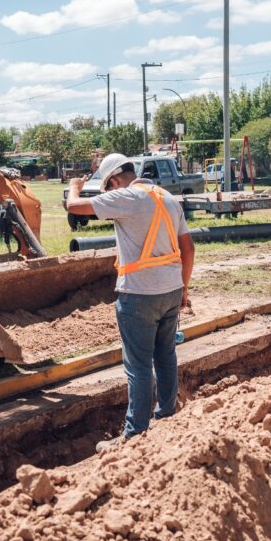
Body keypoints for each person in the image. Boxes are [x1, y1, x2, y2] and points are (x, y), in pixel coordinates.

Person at [66, 153, 195, 449]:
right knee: (165, 355)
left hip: (138, 295)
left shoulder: (126, 197)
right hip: (172, 291)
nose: (109, 197)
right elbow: (188, 248)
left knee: (137, 365)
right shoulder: (168, 198)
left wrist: (74, 186)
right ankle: (167, 416)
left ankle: (135, 434)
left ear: (113, 180)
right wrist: (183, 289)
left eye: (107, 189)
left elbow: (74, 207)